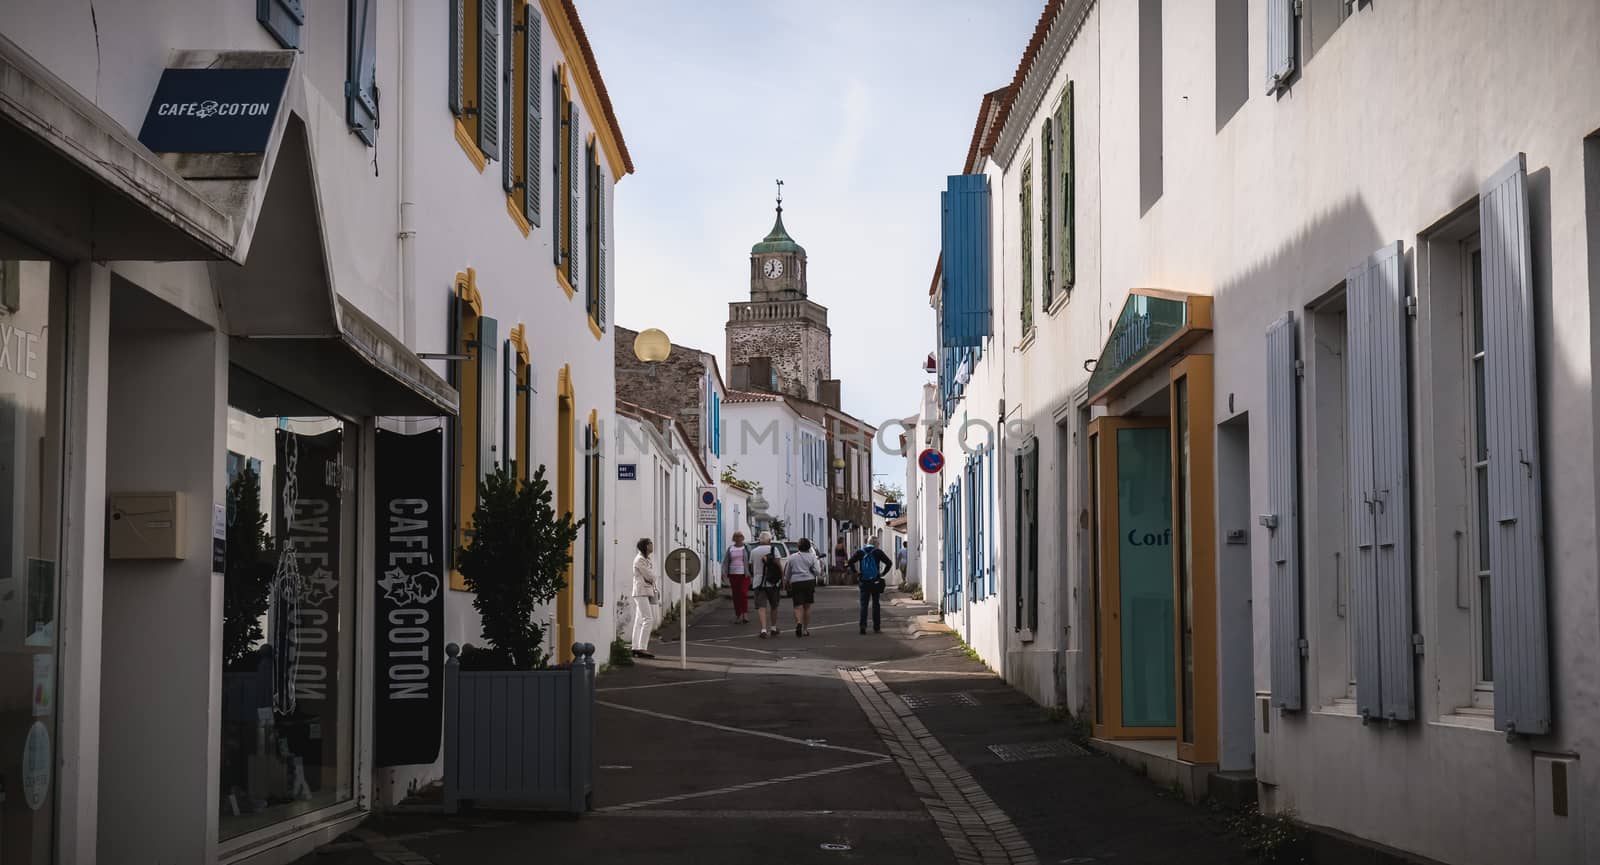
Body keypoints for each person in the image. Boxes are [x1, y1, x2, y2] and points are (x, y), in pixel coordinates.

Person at [848, 537, 893, 635]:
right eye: (878, 543)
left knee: (864, 604)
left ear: (867, 543)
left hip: (864, 581)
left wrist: (857, 572)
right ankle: (876, 627)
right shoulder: (878, 552)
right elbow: (889, 563)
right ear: (875, 543)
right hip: (875, 581)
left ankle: (862, 626)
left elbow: (850, 562)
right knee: (876, 604)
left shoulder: (860, 552)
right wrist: (882, 573)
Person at [784, 538, 823, 637]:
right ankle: (805, 629)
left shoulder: (792, 557)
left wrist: (786, 581)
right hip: (809, 581)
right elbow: (818, 572)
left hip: (796, 582)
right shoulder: (813, 557)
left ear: (798, 547)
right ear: (809, 547)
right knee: (807, 606)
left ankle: (798, 623)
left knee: (797, 606)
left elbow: (787, 572)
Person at [749, 531, 784, 638]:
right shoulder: (774, 550)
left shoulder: (753, 551)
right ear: (769, 540)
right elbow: (778, 565)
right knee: (774, 605)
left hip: (758, 583)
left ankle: (763, 629)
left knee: (761, 607)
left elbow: (751, 567)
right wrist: (782, 578)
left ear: (759, 540)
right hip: (772, 583)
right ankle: (773, 627)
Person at [630, 538, 659, 658]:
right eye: (650, 543)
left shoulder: (646, 559)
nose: (652, 545)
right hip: (641, 592)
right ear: (646, 546)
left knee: (639, 620)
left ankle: (636, 647)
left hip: (644, 591)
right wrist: (652, 577)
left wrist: (651, 577)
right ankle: (642, 648)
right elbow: (650, 576)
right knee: (648, 619)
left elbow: (650, 576)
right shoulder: (640, 560)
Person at [722, 531, 751, 624]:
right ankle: (738, 614)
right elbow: (726, 561)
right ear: (734, 538)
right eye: (736, 537)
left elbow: (752, 559)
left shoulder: (747, 548)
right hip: (733, 574)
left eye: (740, 537)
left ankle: (745, 614)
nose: (738, 538)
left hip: (744, 574)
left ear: (742, 538)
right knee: (735, 595)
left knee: (743, 593)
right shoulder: (730, 549)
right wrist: (724, 572)